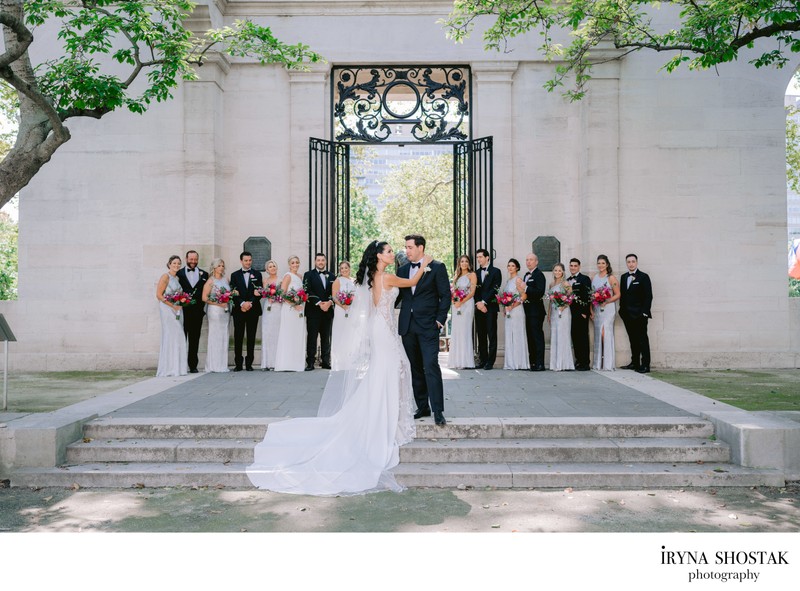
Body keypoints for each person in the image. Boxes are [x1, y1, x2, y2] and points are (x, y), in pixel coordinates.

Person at [246, 241, 431, 495]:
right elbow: (412, 283)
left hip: (381, 328)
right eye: (388, 251)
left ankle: (387, 416)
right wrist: (426, 264)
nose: (392, 255)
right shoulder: (387, 276)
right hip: (384, 330)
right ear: (379, 256)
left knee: (389, 369)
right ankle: (386, 419)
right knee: (394, 367)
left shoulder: (375, 277)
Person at [397, 234, 451, 426]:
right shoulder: (402, 270)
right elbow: (396, 296)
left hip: (429, 325)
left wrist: (439, 320)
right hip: (408, 326)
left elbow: (445, 296)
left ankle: (438, 410)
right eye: (406, 247)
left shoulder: (437, 267)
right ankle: (422, 406)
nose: (407, 251)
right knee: (415, 368)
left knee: (431, 366)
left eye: (410, 247)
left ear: (420, 248)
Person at [619, 253, 653, 373]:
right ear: (626, 263)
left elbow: (648, 296)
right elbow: (623, 296)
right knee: (632, 339)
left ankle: (645, 365)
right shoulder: (623, 277)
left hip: (639, 315)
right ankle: (635, 363)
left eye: (633, 261)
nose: (631, 264)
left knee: (642, 340)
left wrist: (644, 312)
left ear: (636, 262)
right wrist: (621, 311)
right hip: (627, 315)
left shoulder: (644, 277)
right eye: (629, 262)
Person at [155, 255, 189, 377]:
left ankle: (178, 367)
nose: (176, 265)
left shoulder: (178, 278)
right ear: (169, 264)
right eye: (174, 263)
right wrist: (172, 305)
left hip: (177, 309)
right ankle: (169, 368)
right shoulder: (165, 277)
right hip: (167, 309)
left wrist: (181, 302)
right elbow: (159, 295)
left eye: (178, 263)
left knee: (178, 336)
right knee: (172, 335)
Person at [230, 251, 263, 371]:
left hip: (253, 310)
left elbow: (259, 292)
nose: (248, 262)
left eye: (250, 260)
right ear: (241, 261)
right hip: (239, 310)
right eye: (246, 260)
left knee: (251, 336)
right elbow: (233, 292)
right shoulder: (234, 275)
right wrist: (242, 303)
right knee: (238, 336)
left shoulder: (258, 274)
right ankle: (238, 364)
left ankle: (249, 363)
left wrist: (251, 303)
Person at [176, 250, 208, 373]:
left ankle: (193, 365)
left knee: (195, 339)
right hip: (182, 312)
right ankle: (180, 365)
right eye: (191, 259)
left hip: (197, 313)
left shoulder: (204, 274)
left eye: (195, 259)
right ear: (186, 259)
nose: (193, 262)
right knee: (181, 338)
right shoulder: (178, 273)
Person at [304, 253, 335, 370]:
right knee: (312, 337)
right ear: (315, 261)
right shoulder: (308, 275)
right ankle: (310, 362)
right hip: (313, 311)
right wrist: (319, 303)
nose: (321, 262)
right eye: (318, 260)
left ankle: (326, 361)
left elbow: (335, 292)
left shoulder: (332, 276)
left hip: (328, 311)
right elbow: (307, 290)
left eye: (323, 260)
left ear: (325, 261)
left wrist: (329, 302)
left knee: (326, 337)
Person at [274, 255, 306, 372]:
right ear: (289, 264)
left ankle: (297, 363)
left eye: (297, 262)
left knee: (297, 334)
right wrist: (294, 304)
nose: (295, 265)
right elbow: (282, 294)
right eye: (293, 263)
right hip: (289, 309)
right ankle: (285, 363)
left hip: (299, 309)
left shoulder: (300, 276)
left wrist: (300, 302)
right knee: (288, 334)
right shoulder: (288, 276)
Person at [447, 254, 477, 369]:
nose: (464, 263)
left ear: (469, 263)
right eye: (462, 261)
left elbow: (472, 292)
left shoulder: (472, 275)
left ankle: (466, 361)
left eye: (466, 261)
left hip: (467, 305)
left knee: (465, 331)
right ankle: (456, 361)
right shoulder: (457, 276)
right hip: (456, 306)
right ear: (459, 264)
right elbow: (453, 291)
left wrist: (461, 301)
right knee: (457, 331)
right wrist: (454, 301)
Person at [474, 248, 502, 370]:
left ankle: (490, 362)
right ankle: (482, 360)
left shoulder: (496, 272)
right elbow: (474, 290)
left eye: (480, 257)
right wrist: (479, 303)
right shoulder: (475, 273)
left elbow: (495, 289)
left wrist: (484, 302)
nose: (479, 259)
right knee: (481, 334)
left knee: (491, 334)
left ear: (487, 257)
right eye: (477, 257)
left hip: (490, 307)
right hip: (479, 308)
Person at [591, 254, 621, 371]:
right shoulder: (594, 278)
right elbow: (592, 296)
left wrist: (607, 301)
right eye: (599, 263)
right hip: (598, 309)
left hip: (608, 309)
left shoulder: (611, 278)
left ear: (607, 264)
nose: (601, 265)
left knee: (605, 333)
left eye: (603, 263)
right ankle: (599, 362)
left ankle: (608, 363)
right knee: (598, 334)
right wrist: (591, 310)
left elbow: (618, 294)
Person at [201, 258, 230, 373]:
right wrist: (219, 303)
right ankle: (213, 365)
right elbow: (204, 297)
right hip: (215, 311)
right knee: (215, 335)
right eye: (219, 266)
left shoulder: (226, 279)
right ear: (214, 267)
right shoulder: (210, 281)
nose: (221, 268)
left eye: (223, 265)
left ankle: (222, 364)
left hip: (225, 311)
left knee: (224, 335)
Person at [502, 258, 529, 370]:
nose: (510, 267)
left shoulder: (518, 280)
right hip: (508, 311)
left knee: (517, 335)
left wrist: (512, 305)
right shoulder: (508, 281)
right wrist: (505, 307)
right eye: (509, 265)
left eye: (513, 265)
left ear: (517, 267)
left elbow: (524, 295)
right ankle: (510, 362)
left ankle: (519, 362)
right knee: (509, 334)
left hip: (517, 310)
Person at [547, 263, 575, 371]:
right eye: (555, 270)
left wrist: (564, 306)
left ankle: (564, 363)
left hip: (564, 312)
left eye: (559, 270)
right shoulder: (551, 284)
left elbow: (571, 297)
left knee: (563, 335)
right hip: (554, 312)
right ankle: (555, 363)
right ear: (553, 271)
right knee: (555, 335)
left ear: (563, 271)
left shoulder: (565, 283)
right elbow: (550, 301)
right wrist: (549, 314)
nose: (557, 272)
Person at [522, 252, 547, 371]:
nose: (528, 262)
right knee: (530, 337)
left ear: (536, 262)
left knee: (537, 337)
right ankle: (532, 363)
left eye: (531, 260)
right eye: (527, 260)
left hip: (536, 312)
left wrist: (525, 287)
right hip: (527, 311)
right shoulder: (526, 275)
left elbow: (539, 292)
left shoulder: (539, 275)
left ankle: (540, 363)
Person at [331, 260, 357, 371]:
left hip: (352, 310)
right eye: (342, 268)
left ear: (349, 268)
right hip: (341, 310)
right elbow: (334, 297)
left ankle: (351, 361)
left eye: (346, 267)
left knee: (351, 334)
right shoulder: (338, 281)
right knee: (341, 332)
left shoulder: (355, 281)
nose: (344, 270)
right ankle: (340, 362)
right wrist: (343, 306)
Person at [567, 258, 592, 371]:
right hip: (570, 313)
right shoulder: (567, 280)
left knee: (583, 337)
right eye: (571, 265)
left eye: (575, 266)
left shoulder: (584, 279)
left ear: (579, 267)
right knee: (574, 337)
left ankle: (585, 362)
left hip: (581, 313)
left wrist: (584, 312)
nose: (573, 267)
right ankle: (578, 360)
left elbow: (587, 296)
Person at [260, 260, 282, 371]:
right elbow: (264, 293)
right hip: (268, 308)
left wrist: (277, 297)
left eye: (274, 266)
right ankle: (267, 362)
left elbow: (283, 294)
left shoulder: (281, 280)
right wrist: (267, 294)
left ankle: (276, 362)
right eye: (270, 267)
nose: (272, 268)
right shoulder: (265, 280)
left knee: (277, 334)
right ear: (267, 270)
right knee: (267, 333)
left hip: (278, 308)